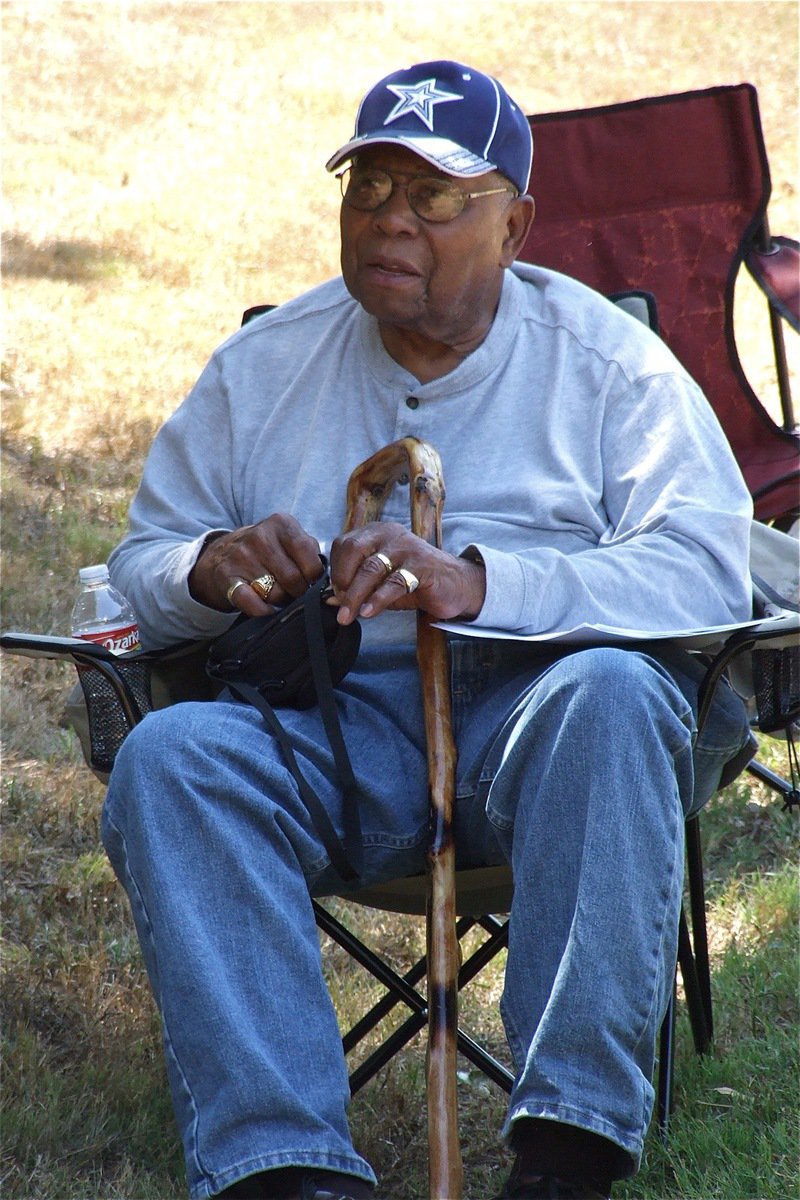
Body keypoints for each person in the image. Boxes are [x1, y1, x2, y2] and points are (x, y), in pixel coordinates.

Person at [102, 60, 755, 1200]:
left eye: (436, 195)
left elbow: (709, 567)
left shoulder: (607, 366)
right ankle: (283, 1167)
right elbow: (139, 563)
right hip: (330, 728)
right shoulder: (263, 367)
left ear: (516, 227)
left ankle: (565, 1154)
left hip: (539, 725)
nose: (390, 219)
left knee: (611, 694)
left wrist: (482, 583)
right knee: (171, 758)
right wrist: (206, 569)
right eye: (368, 187)